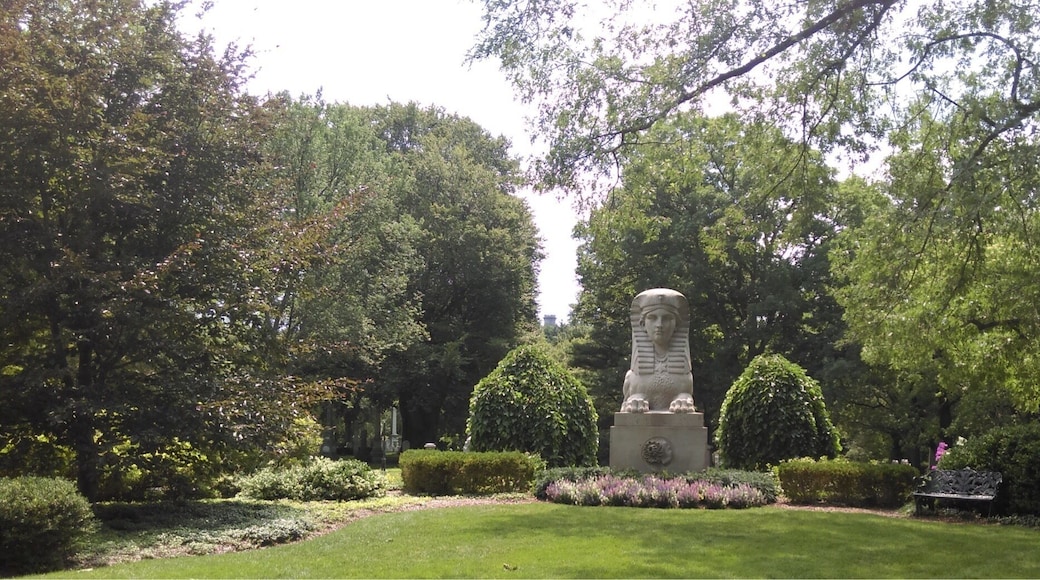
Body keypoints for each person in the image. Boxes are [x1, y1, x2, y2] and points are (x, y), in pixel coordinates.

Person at [620, 288, 696, 413]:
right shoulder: (635, 375)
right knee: (629, 376)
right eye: (652, 317)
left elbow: (685, 393)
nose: (659, 324)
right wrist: (635, 397)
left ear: (677, 324)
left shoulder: (684, 374)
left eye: (667, 318)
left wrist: (684, 397)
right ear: (642, 324)